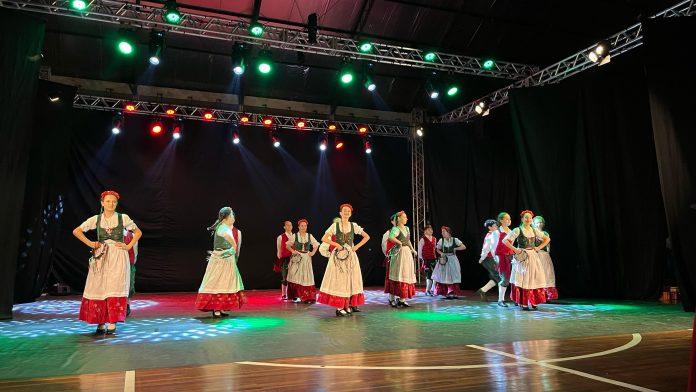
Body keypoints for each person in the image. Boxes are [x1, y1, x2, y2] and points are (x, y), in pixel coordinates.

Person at [72, 190, 142, 335]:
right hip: (102, 256)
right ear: (102, 203)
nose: (111, 204)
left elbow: (138, 232)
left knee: (114, 286)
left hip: (118, 255)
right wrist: (91, 243)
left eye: (114, 202)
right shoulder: (96, 219)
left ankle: (112, 322)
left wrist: (128, 246)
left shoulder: (123, 218)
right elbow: (77, 231)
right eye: (108, 201)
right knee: (100, 286)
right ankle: (100, 321)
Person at [318, 203, 370, 316]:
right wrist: (336, 244)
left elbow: (367, 236)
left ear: (350, 213)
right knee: (340, 280)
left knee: (350, 280)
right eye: (344, 211)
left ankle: (347, 305)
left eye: (348, 211)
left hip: (350, 256)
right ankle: (339, 307)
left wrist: (356, 247)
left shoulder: (353, 225)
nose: (346, 212)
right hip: (338, 256)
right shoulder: (335, 226)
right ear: (340, 213)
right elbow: (324, 238)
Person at [195, 207, 246, 317]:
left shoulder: (225, 227)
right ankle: (216, 308)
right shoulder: (223, 228)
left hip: (226, 260)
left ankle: (221, 307)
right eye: (231, 215)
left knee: (226, 282)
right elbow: (231, 241)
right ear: (226, 218)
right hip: (221, 260)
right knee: (218, 282)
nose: (233, 217)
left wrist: (233, 249)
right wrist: (233, 246)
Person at [503, 210, 558, 310]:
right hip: (523, 257)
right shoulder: (517, 230)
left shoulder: (534, 230)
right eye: (526, 217)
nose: (528, 219)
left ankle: (534, 301)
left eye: (530, 218)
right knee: (524, 279)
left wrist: (538, 247)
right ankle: (523, 302)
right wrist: (516, 250)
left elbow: (547, 239)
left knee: (535, 278)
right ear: (522, 219)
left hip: (533, 256)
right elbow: (505, 240)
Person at [386, 211, 418, 307]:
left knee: (405, 273)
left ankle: (402, 299)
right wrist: (399, 243)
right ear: (399, 218)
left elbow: (408, 241)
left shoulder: (407, 228)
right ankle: (392, 298)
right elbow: (391, 237)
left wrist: (412, 249)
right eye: (404, 217)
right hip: (399, 252)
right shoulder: (395, 229)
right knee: (398, 273)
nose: (406, 219)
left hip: (407, 252)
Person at [286, 219, 319, 303]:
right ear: (298, 227)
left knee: (306, 276)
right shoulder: (295, 235)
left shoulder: (309, 236)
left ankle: (307, 297)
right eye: (302, 226)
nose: (303, 227)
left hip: (306, 258)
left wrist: (312, 253)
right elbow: (288, 245)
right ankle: (296, 295)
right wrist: (293, 251)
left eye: (305, 226)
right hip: (297, 257)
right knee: (296, 276)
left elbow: (316, 245)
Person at [475, 219, 505, 306]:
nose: (497, 227)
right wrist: (482, 258)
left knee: (496, 277)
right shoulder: (490, 235)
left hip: (491, 258)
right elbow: (486, 248)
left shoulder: (495, 234)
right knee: (500, 277)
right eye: (495, 226)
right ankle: (501, 299)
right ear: (490, 227)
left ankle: (482, 291)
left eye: (497, 225)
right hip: (488, 259)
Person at [431, 226, 466, 299]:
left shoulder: (455, 240)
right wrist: (441, 253)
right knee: (444, 275)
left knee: (453, 275)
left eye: (444, 231)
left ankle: (453, 292)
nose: (442, 233)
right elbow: (437, 249)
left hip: (453, 259)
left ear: (448, 232)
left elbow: (463, 247)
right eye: (442, 232)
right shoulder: (441, 240)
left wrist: (456, 248)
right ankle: (446, 292)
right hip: (444, 260)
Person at [494, 212, 514, 306]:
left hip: (510, 256)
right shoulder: (497, 231)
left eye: (509, 219)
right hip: (501, 256)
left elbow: (512, 245)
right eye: (506, 219)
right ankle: (500, 300)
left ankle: (515, 298)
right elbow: (493, 246)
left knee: (512, 278)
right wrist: (496, 258)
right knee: (505, 278)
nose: (509, 220)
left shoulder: (511, 232)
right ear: (501, 220)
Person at [275, 221, 294, 301]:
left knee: (294, 278)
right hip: (285, 259)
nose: (289, 227)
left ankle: (293, 294)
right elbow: (279, 249)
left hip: (294, 259)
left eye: (290, 225)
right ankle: (284, 294)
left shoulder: (295, 236)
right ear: (284, 227)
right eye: (287, 225)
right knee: (285, 277)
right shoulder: (280, 237)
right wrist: (281, 259)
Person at [418, 225, 438, 296]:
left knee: (435, 275)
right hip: (426, 260)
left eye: (431, 229)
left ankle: (433, 289)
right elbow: (419, 251)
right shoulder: (422, 239)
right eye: (429, 230)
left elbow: (435, 249)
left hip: (434, 259)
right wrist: (423, 260)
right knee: (429, 276)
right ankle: (427, 291)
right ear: (425, 231)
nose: (431, 231)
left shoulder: (434, 239)